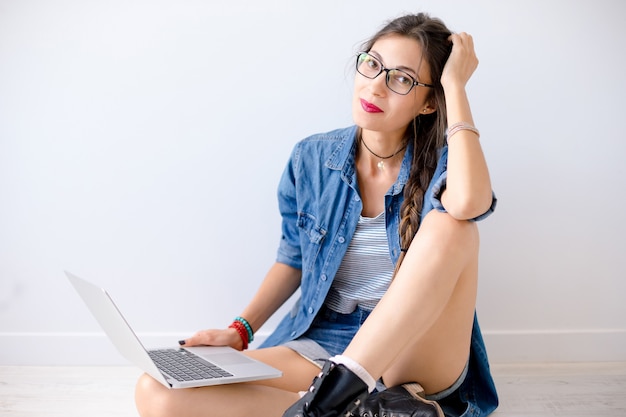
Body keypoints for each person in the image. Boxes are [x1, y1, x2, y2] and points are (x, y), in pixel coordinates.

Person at [135, 12, 498, 417]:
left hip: (411, 355)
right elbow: (292, 259)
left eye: (400, 79)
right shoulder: (311, 158)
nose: (375, 86)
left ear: (430, 102)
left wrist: (455, 87)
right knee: (158, 390)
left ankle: (335, 396)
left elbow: (468, 204)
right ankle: (347, 408)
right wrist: (240, 331)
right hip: (325, 339)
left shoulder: (444, 163)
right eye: (373, 65)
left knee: (454, 226)